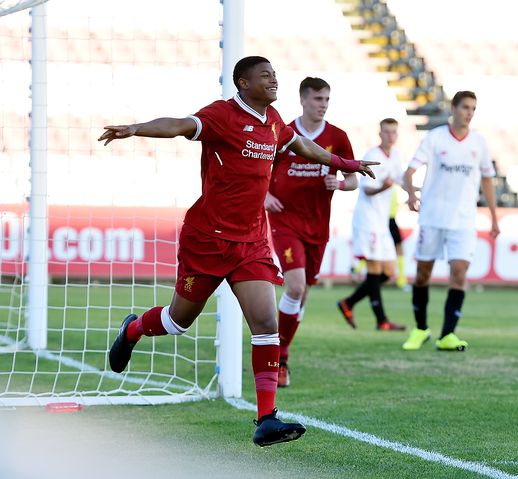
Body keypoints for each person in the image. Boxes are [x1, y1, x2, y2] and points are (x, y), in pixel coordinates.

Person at [97, 56, 376, 446]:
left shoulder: (275, 121)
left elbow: (305, 148)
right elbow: (179, 125)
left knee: (265, 324)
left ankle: (266, 419)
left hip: (251, 242)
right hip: (207, 240)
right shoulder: (222, 115)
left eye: (275, 74)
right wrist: (135, 129)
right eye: (265, 76)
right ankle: (131, 330)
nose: (274, 80)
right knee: (179, 322)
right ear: (244, 84)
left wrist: (348, 163)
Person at [264, 77, 357, 388]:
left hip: (317, 226)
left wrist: (341, 184)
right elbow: (259, 168)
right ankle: (279, 359)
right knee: (295, 286)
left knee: (302, 294)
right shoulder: (284, 133)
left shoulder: (338, 137)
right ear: (303, 100)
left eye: (327, 99)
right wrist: (265, 195)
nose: (323, 105)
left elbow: (354, 178)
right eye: (318, 99)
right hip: (284, 220)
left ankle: (283, 350)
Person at [401, 90, 499, 352]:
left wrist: (493, 217)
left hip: (463, 221)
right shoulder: (435, 138)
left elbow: (488, 179)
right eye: (465, 107)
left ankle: (447, 335)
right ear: (453, 108)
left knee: (459, 274)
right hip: (432, 217)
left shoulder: (479, 142)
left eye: (473, 109)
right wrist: (411, 193)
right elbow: (409, 172)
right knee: (423, 274)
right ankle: (421, 329)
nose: (469, 113)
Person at [336, 118, 407, 331]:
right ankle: (381, 320)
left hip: (381, 221)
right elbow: (366, 189)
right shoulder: (372, 156)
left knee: (387, 272)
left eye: (394, 132)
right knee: (375, 270)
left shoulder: (395, 156)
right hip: (368, 220)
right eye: (387, 132)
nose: (390, 136)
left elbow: (401, 180)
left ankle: (348, 302)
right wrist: (384, 187)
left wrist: (416, 192)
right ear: (380, 133)